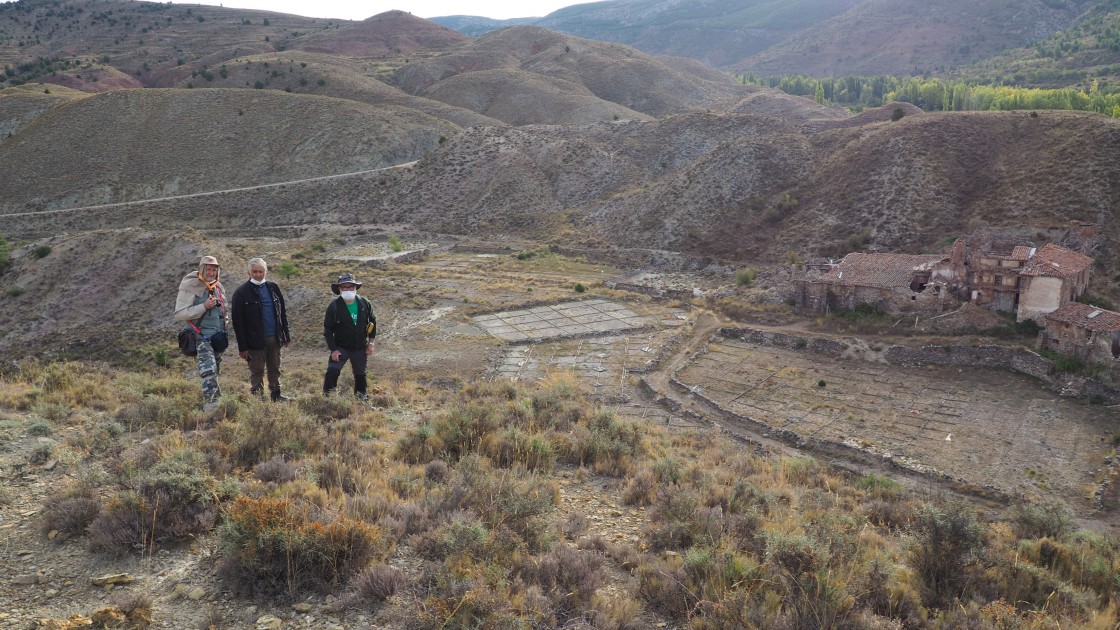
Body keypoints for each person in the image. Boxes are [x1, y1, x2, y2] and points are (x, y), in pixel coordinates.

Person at [231, 258, 292, 402]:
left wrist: (286, 334)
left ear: (266, 271)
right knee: (257, 371)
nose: (258, 275)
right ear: (249, 272)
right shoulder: (241, 292)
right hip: (254, 341)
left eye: (261, 271)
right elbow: (238, 323)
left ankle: (276, 395)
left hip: (275, 338)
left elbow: (282, 312)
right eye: (255, 271)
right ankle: (258, 400)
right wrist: (243, 347)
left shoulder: (273, 288)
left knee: (275, 368)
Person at [174, 255, 229, 410]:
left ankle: (216, 404)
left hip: (217, 337)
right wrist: (204, 306)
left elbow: (224, 312)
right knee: (208, 371)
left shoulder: (219, 287)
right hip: (199, 336)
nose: (211, 273)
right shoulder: (191, 285)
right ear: (201, 269)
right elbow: (180, 314)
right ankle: (212, 406)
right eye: (208, 269)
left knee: (216, 370)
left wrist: (225, 330)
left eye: (214, 270)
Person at [322, 273, 377, 400]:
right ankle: (327, 399)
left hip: (360, 348)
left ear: (356, 288)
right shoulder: (334, 306)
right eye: (344, 287)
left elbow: (373, 323)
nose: (348, 289)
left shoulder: (364, 303)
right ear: (339, 289)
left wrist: (371, 343)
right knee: (332, 372)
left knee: (360, 375)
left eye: (351, 287)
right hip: (341, 347)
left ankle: (361, 399)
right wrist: (334, 350)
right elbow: (328, 331)